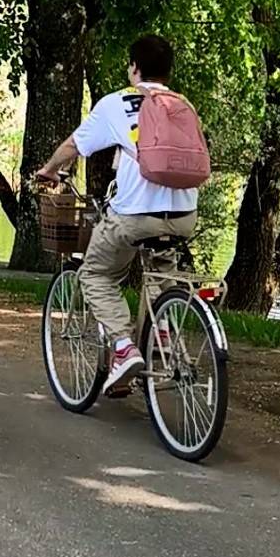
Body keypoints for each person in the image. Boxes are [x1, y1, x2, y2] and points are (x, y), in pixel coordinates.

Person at [37, 34, 199, 396]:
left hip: (136, 215)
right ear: (169, 71)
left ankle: (124, 349)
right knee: (160, 271)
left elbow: (74, 145)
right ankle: (161, 331)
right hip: (185, 215)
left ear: (134, 68)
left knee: (95, 274)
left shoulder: (118, 102)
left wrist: (49, 170)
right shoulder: (183, 105)